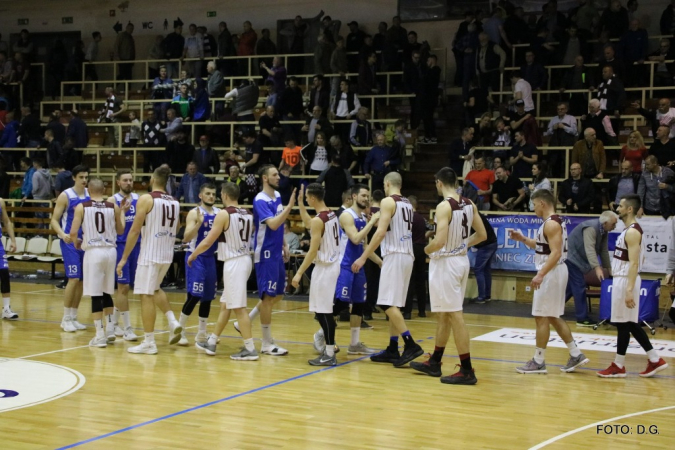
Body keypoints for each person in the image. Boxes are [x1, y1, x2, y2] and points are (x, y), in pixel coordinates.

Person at [410, 167, 486, 384]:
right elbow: (482, 235)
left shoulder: (444, 206)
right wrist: (462, 244)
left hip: (446, 263)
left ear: (439, 183)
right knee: (444, 313)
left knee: (454, 314)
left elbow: (440, 241)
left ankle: (468, 370)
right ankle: (435, 361)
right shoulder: (469, 204)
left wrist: (424, 250)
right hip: (461, 261)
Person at [510, 190, 590, 374]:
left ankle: (538, 361)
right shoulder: (552, 222)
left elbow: (555, 253)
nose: (533, 208)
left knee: (541, 316)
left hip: (552, 272)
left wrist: (541, 274)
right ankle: (575, 353)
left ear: (542, 203)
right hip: (555, 271)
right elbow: (542, 248)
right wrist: (522, 239)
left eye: (534, 204)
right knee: (552, 315)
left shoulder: (551, 224)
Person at [351, 172, 424, 367]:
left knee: (385, 303)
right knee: (395, 305)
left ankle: (410, 344)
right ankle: (393, 347)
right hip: (407, 255)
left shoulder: (387, 202)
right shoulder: (408, 203)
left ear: (387, 184)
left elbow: (381, 233)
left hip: (395, 254)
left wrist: (363, 256)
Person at [597, 195, 668, 378]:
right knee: (627, 323)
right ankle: (654, 359)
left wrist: (628, 290)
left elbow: (634, 264)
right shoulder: (628, 230)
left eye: (620, 206)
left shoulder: (633, 232)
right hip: (622, 279)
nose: (617, 208)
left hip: (626, 280)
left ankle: (619, 366)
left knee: (623, 324)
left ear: (629, 209)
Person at [116, 166, 183, 354]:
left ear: (153, 179)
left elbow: (135, 230)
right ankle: (172, 321)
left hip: (150, 253)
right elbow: (177, 226)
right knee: (154, 289)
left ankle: (149, 342)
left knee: (145, 295)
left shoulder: (146, 199)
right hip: (167, 254)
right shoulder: (175, 201)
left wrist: (123, 258)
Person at [191, 183, 257, 360]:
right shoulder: (248, 213)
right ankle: (212, 342)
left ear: (224, 195)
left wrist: (193, 255)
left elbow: (207, 241)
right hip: (244, 259)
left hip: (234, 262)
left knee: (239, 308)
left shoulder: (224, 213)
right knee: (225, 304)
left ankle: (250, 348)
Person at [235, 165, 296, 356]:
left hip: (276, 250)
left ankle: (248, 319)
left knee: (278, 295)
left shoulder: (276, 196)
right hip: (266, 254)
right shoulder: (260, 200)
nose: (279, 177)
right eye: (274, 175)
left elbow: (280, 225)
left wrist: (284, 243)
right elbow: (273, 223)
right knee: (268, 298)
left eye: (278, 174)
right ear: (264, 178)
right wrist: (289, 207)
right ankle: (267, 343)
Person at [68, 178, 125, 347]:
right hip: (111, 251)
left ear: (88, 189)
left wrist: (76, 241)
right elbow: (121, 230)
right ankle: (109, 330)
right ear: (104, 189)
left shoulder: (82, 207)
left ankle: (100, 334)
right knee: (107, 292)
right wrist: (121, 213)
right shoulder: (113, 206)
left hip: (94, 251)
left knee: (95, 294)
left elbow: (72, 232)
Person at [290, 184, 341, 366]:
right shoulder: (331, 214)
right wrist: (300, 205)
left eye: (306, 199)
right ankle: (329, 348)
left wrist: (298, 274)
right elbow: (309, 224)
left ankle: (329, 352)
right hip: (331, 265)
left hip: (325, 267)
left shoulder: (320, 220)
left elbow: (312, 251)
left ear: (312, 198)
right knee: (321, 312)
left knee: (323, 313)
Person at [50, 165, 91, 332]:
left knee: (81, 281)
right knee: (73, 278)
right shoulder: (66, 195)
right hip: (70, 242)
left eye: (86, 177)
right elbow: (54, 219)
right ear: (74, 178)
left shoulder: (90, 195)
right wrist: (61, 233)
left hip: (86, 242)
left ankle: (74, 316)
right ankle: (65, 318)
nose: (84, 180)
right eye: (81, 177)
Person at [179, 183, 220, 346]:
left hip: (211, 258)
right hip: (195, 257)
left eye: (213, 194)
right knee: (195, 294)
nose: (211, 196)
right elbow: (186, 238)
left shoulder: (219, 213)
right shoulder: (194, 213)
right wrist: (198, 224)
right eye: (208, 193)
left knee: (208, 297)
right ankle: (180, 329)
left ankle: (201, 334)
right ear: (200, 196)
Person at [565, 211, 618, 327]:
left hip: (579, 260)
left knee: (570, 287)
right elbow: (590, 249)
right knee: (579, 286)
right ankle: (581, 318)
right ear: (605, 223)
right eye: (613, 224)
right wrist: (597, 268)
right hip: (572, 258)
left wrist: (608, 269)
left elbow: (603, 250)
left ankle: (551, 309)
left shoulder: (604, 231)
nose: (615, 227)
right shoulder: (591, 228)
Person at [110, 170, 139, 341]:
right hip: (120, 246)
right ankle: (127, 328)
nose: (128, 182)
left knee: (128, 288)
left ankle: (113, 324)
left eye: (130, 180)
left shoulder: (139, 199)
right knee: (123, 287)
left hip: (137, 246)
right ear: (118, 183)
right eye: (125, 180)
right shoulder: (112, 201)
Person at [402, 195, 430, 319]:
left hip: (410, 248)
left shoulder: (407, 218)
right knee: (420, 281)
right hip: (421, 248)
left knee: (409, 280)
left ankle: (407, 312)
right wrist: (425, 237)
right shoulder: (422, 218)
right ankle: (422, 311)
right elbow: (433, 229)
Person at [472, 213, 497, 304]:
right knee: (486, 270)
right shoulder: (478, 215)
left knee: (478, 270)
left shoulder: (473, 218)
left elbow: (478, 235)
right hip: (492, 243)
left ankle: (481, 297)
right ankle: (487, 296)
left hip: (485, 245)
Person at [0, 197, 18, 320]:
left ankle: (6, 309)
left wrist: (13, 240)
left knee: (4, 273)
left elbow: (6, 221)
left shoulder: (0, 201)